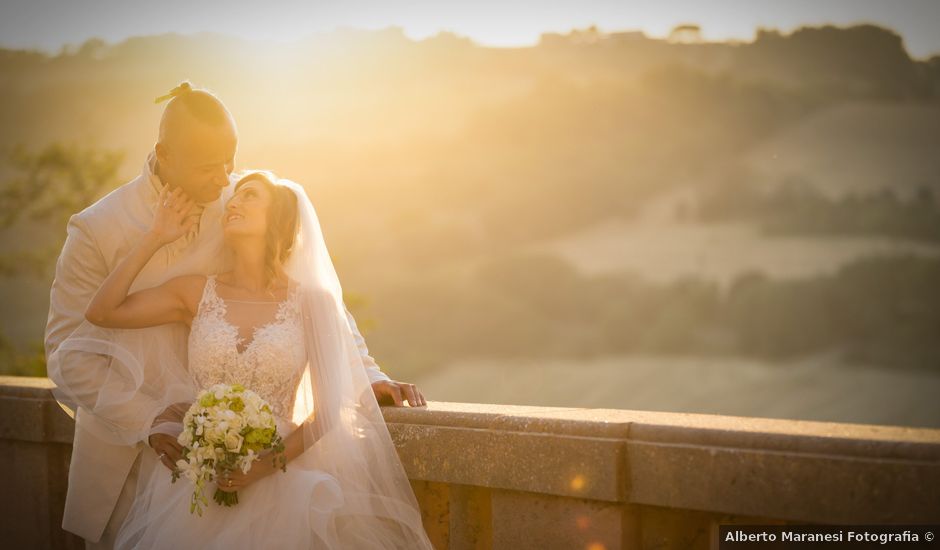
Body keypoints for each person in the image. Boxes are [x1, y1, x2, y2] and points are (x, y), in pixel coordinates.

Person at [44, 82, 426, 549]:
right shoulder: (97, 228)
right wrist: (152, 421)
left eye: (230, 161)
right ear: (164, 153)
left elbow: (314, 300)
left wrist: (367, 375)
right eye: (210, 166)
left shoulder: (240, 202)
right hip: (129, 462)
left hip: (261, 471)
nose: (225, 178)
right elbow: (66, 352)